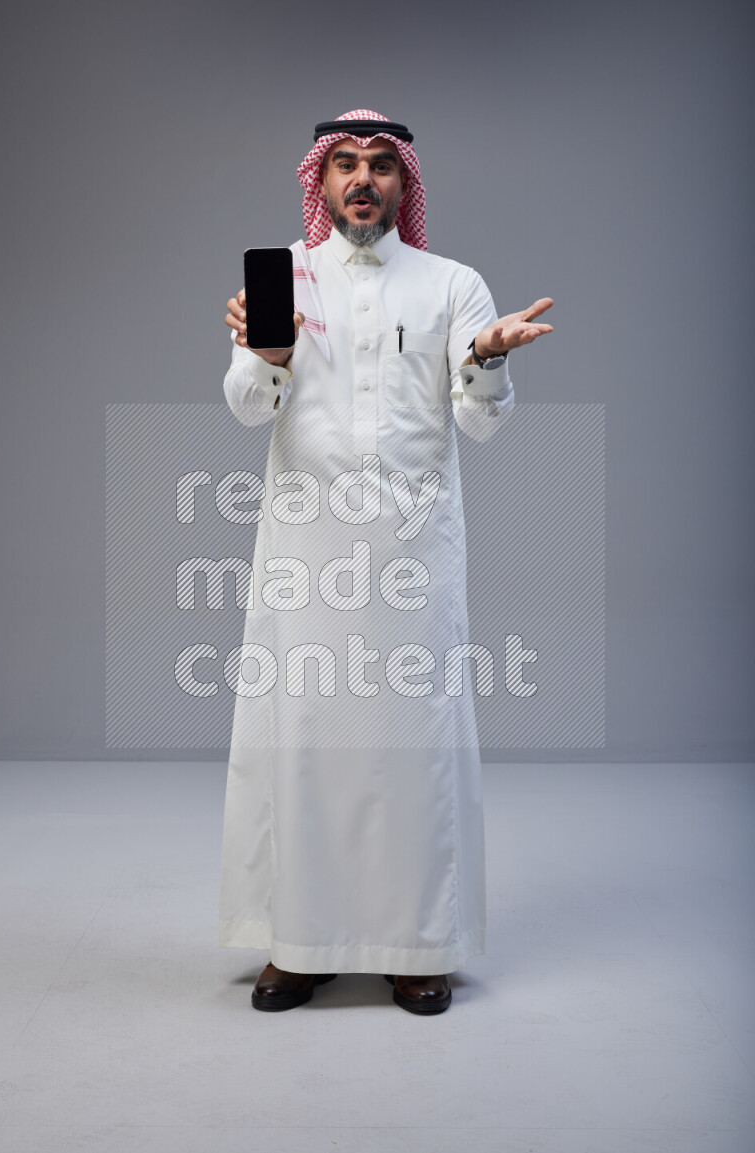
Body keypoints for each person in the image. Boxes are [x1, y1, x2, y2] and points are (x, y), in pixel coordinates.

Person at [220, 109, 553, 1015]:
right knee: (306, 741)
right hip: (307, 556)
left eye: (380, 166)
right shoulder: (285, 279)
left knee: (414, 749)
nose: (363, 179)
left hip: (413, 557)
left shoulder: (452, 284)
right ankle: (300, 944)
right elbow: (247, 407)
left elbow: (481, 421)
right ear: (322, 183)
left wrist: (487, 358)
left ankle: (417, 945)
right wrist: (267, 355)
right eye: (345, 165)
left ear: (404, 185)